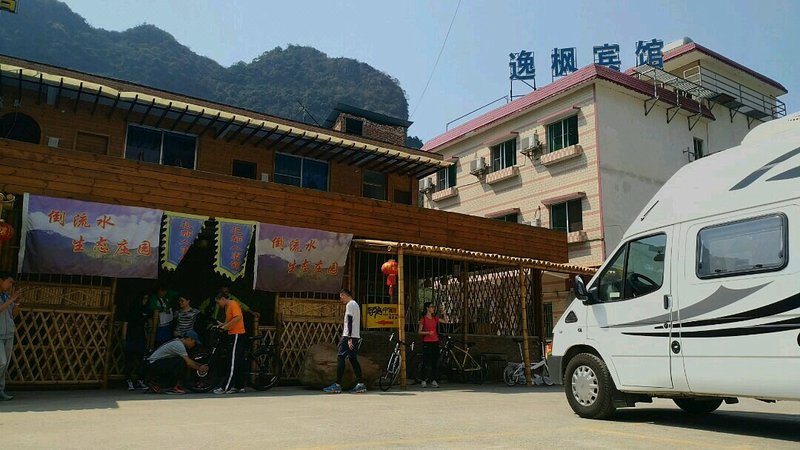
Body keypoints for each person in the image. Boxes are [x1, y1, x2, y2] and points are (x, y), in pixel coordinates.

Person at [323, 288, 366, 394]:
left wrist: (349, 337)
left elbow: (350, 321)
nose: (341, 299)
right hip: (355, 335)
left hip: (348, 336)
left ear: (344, 295)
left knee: (340, 357)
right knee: (352, 359)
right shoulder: (356, 304)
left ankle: (337, 385)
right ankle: (360, 384)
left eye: (341, 297)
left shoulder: (350, 305)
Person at [144, 330, 207, 395]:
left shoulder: (178, 342)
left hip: (154, 364)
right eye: (194, 342)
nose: (194, 345)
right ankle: (170, 387)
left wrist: (200, 365)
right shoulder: (179, 345)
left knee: (180, 361)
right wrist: (200, 368)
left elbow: (190, 361)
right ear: (190, 339)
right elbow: (189, 362)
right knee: (180, 361)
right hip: (153, 365)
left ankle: (161, 383)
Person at [212, 292, 247, 394]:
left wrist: (225, 327)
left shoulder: (232, 304)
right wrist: (221, 325)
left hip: (237, 334)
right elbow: (230, 320)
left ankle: (226, 387)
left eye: (218, 302)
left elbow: (238, 317)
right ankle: (239, 386)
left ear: (223, 299)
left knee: (232, 361)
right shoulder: (228, 307)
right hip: (234, 334)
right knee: (238, 362)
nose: (219, 305)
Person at [122, 292, 150, 391]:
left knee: (142, 359)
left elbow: (146, 324)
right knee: (129, 359)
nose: (145, 301)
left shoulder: (145, 309)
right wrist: (124, 337)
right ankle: (128, 380)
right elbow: (126, 323)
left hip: (141, 336)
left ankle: (140, 379)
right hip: (131, 336)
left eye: (147, 299)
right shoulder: (132, 309)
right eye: (144, 299)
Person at [0, 272, 21, 401]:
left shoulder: (6, 296)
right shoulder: (8, 298)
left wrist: (17, 303)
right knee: (1, 361)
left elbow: (13, 314)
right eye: (9, 282)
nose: (10, 285)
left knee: (5, 364)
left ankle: (1, 390)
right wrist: (11, 300)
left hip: (8, 333)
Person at [418, 301, 449, 388]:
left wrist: (444, 312)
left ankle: (433, 380)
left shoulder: (435, 318)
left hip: (435, 341)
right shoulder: (423, 319)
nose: (433, 308)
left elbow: (446, 321)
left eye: (433, 307)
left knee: (435, 362)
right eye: (431, 307)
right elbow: (419, 331)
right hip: (427, 342)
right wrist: (428, 332)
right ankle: (423, 380)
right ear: (427, 308)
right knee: (425, 361)